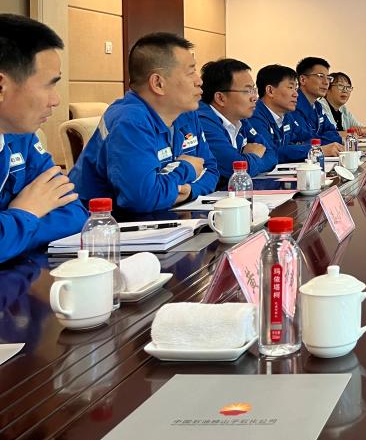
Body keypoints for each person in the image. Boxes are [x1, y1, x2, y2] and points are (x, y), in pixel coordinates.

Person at [70, 33, 218, 212]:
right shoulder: (130, 120)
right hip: (105, 223)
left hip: (166, 216)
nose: (199, 81)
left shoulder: (186, 113)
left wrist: (189, 191)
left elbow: (211, 170)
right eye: (190, 72)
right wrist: (186, 168)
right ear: (158, 83)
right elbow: (143, 198)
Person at [0, 15, 87, 263]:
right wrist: (26, 213)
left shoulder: (21, 136)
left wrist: (11, 230)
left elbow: (74, 213)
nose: (56, 100)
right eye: (49, 85)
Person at [198, 58, 277, 181]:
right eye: (247, 91)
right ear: (220, 98)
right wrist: (253, 156)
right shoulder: (204, 122)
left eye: (254, 90)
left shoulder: (240, 119)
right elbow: (234, 169)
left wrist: (248, 160)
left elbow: (272, 155)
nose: (254, 97)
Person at [249, 64, 343, 161]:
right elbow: (271, 152)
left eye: (295, 88)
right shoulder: (254, 116)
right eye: (290, 87)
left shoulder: (286, 115)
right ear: (270, 91)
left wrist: (300, 148)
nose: (296, 94)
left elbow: (310, 138)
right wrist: (316, 150)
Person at [294, 56, 342, 145]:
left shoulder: (317, 106)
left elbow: (334, 134)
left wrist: (319, 139)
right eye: (320, 76)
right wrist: (323, 140)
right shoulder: (292, 105)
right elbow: (306, 141)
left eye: (328, 78)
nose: (326, 82)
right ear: (303, 79)